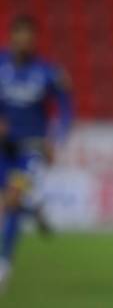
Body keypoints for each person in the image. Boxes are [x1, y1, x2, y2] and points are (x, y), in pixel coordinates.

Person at [0, 16, 72, 288]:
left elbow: (66, 109)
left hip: (31, 148)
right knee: (12, 204)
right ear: (12, 37)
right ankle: (36, 208)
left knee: (12, 199)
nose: (24, 42)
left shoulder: (47, 72)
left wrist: (56, 139)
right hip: (4, 149)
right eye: (19, 36)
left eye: (28, 37)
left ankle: (3, 266)